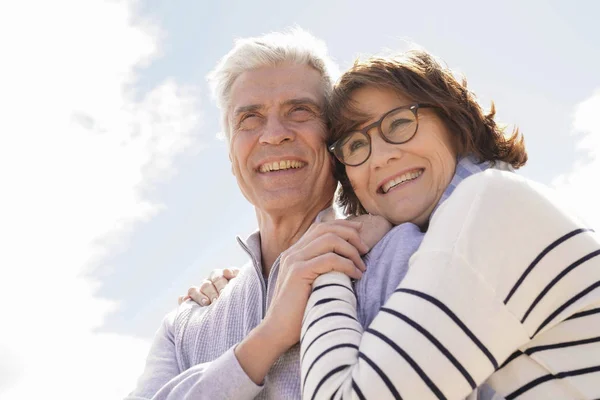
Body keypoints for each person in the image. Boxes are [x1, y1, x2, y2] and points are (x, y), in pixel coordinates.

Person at [297, 51, 600, 399]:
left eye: (398, 123)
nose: (380, 157)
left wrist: (328, 264)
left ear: (454, 124)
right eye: (354, 145)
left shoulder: (490, 206)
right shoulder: (464, 222)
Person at [127, 28, 394, 400]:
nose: (273, 135)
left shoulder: (394, 260)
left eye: (299, 111)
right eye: (249, 118)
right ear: (233, 156)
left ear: (336, 140)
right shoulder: (185, 325)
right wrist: (270, 336)